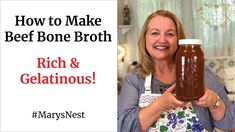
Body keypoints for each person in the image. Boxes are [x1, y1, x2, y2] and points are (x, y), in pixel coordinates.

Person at [118, 10, 235, 132]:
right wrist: (161, 104)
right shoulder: (134, 80)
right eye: (154, 33)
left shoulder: (202, 74)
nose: (162, 40)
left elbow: (229, 124)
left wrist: (214, 102)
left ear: (179, 40)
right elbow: (123, 127)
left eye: (170, 34)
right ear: (144, 39)